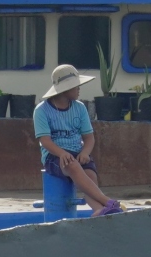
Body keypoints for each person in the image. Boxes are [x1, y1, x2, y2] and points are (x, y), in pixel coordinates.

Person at [35, 64, 123, 217]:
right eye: (76, 86)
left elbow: (89, 138)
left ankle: (98, 210)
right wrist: (62, 153)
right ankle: (107, 201)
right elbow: (45, 140)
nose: (79, 89)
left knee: (90, 175)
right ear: (64, 89)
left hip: (77, 151)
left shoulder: (80, 108)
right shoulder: (41, 110)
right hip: (54, 155)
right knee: (73, 166)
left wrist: (85, 152)